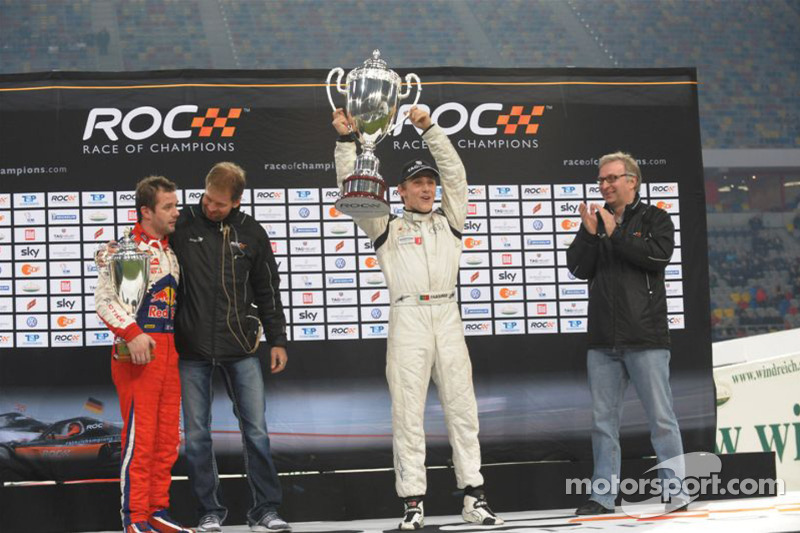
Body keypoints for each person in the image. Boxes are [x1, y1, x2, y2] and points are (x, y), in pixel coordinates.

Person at [332, 107, 504, 530]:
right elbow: (352, 189)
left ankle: (474, 497)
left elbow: (456, 173)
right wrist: (344, 143)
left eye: (430, 182)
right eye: (418, 183)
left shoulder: (451, 220)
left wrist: (429, 129)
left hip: (447, 314)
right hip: (407, 315)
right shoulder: (384, 225)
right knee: (407, 412)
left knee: (463, 409)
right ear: (401, 191)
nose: (427, 188)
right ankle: (413, 503)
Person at [169, 162, 290, 533]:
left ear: (237, 202)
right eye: (207, 199)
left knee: (256, 431)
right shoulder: (181, 223)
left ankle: (265, 509)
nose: (211, 208)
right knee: (197, 434)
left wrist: (277, 340)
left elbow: (267, 291)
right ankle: (208, 511)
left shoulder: (252, 232)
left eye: (220, 204)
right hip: (190, 348)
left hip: (241, 347)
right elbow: (144, 251)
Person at [566, 152, 687, 515]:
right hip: (603, 341)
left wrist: (616, 233)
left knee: (661, 419)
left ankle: (677, 493)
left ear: (632, 181)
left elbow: (657, 257)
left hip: (646, 337)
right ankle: (603, 497)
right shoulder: (597, 223)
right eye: (601, 180)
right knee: (603, 424)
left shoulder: (655, 219)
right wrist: (589, 237)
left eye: (612, 179)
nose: (604, 185)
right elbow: (576, 268)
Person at [95, 176, 192, 533]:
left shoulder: (170, 250)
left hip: (170, 352)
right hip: (138, 353)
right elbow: (105, 302)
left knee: (167, 438)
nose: (176, 212)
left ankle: (157, 510)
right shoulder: (125, 249)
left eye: (176, 204)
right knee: (141, 438)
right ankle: (133, 517)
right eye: (168, 206)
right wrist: (132, 333)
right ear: (146, 211)